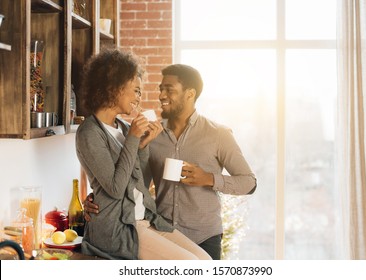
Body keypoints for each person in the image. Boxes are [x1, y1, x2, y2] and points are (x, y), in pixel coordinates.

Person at [85, 63, 257, 260]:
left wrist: (209, 178)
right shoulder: (152, 135)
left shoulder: (218, 134)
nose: (161, 96)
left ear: (190, 94)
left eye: (170, 90)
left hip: (205, 237)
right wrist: (96, 199)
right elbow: (133, 182)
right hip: (161, 231)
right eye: (161, 89)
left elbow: (249, 183)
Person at [76, 49, 211, 260]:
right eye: (136, 90)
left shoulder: (122, 126)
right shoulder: (89, 133)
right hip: (120, 229)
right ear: (115, 87)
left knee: (205, 261)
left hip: (144, 217)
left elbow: (140, 184)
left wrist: (142, 145)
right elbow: (115, 188)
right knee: (191, 264)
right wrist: (133, 138)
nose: (139, 98)